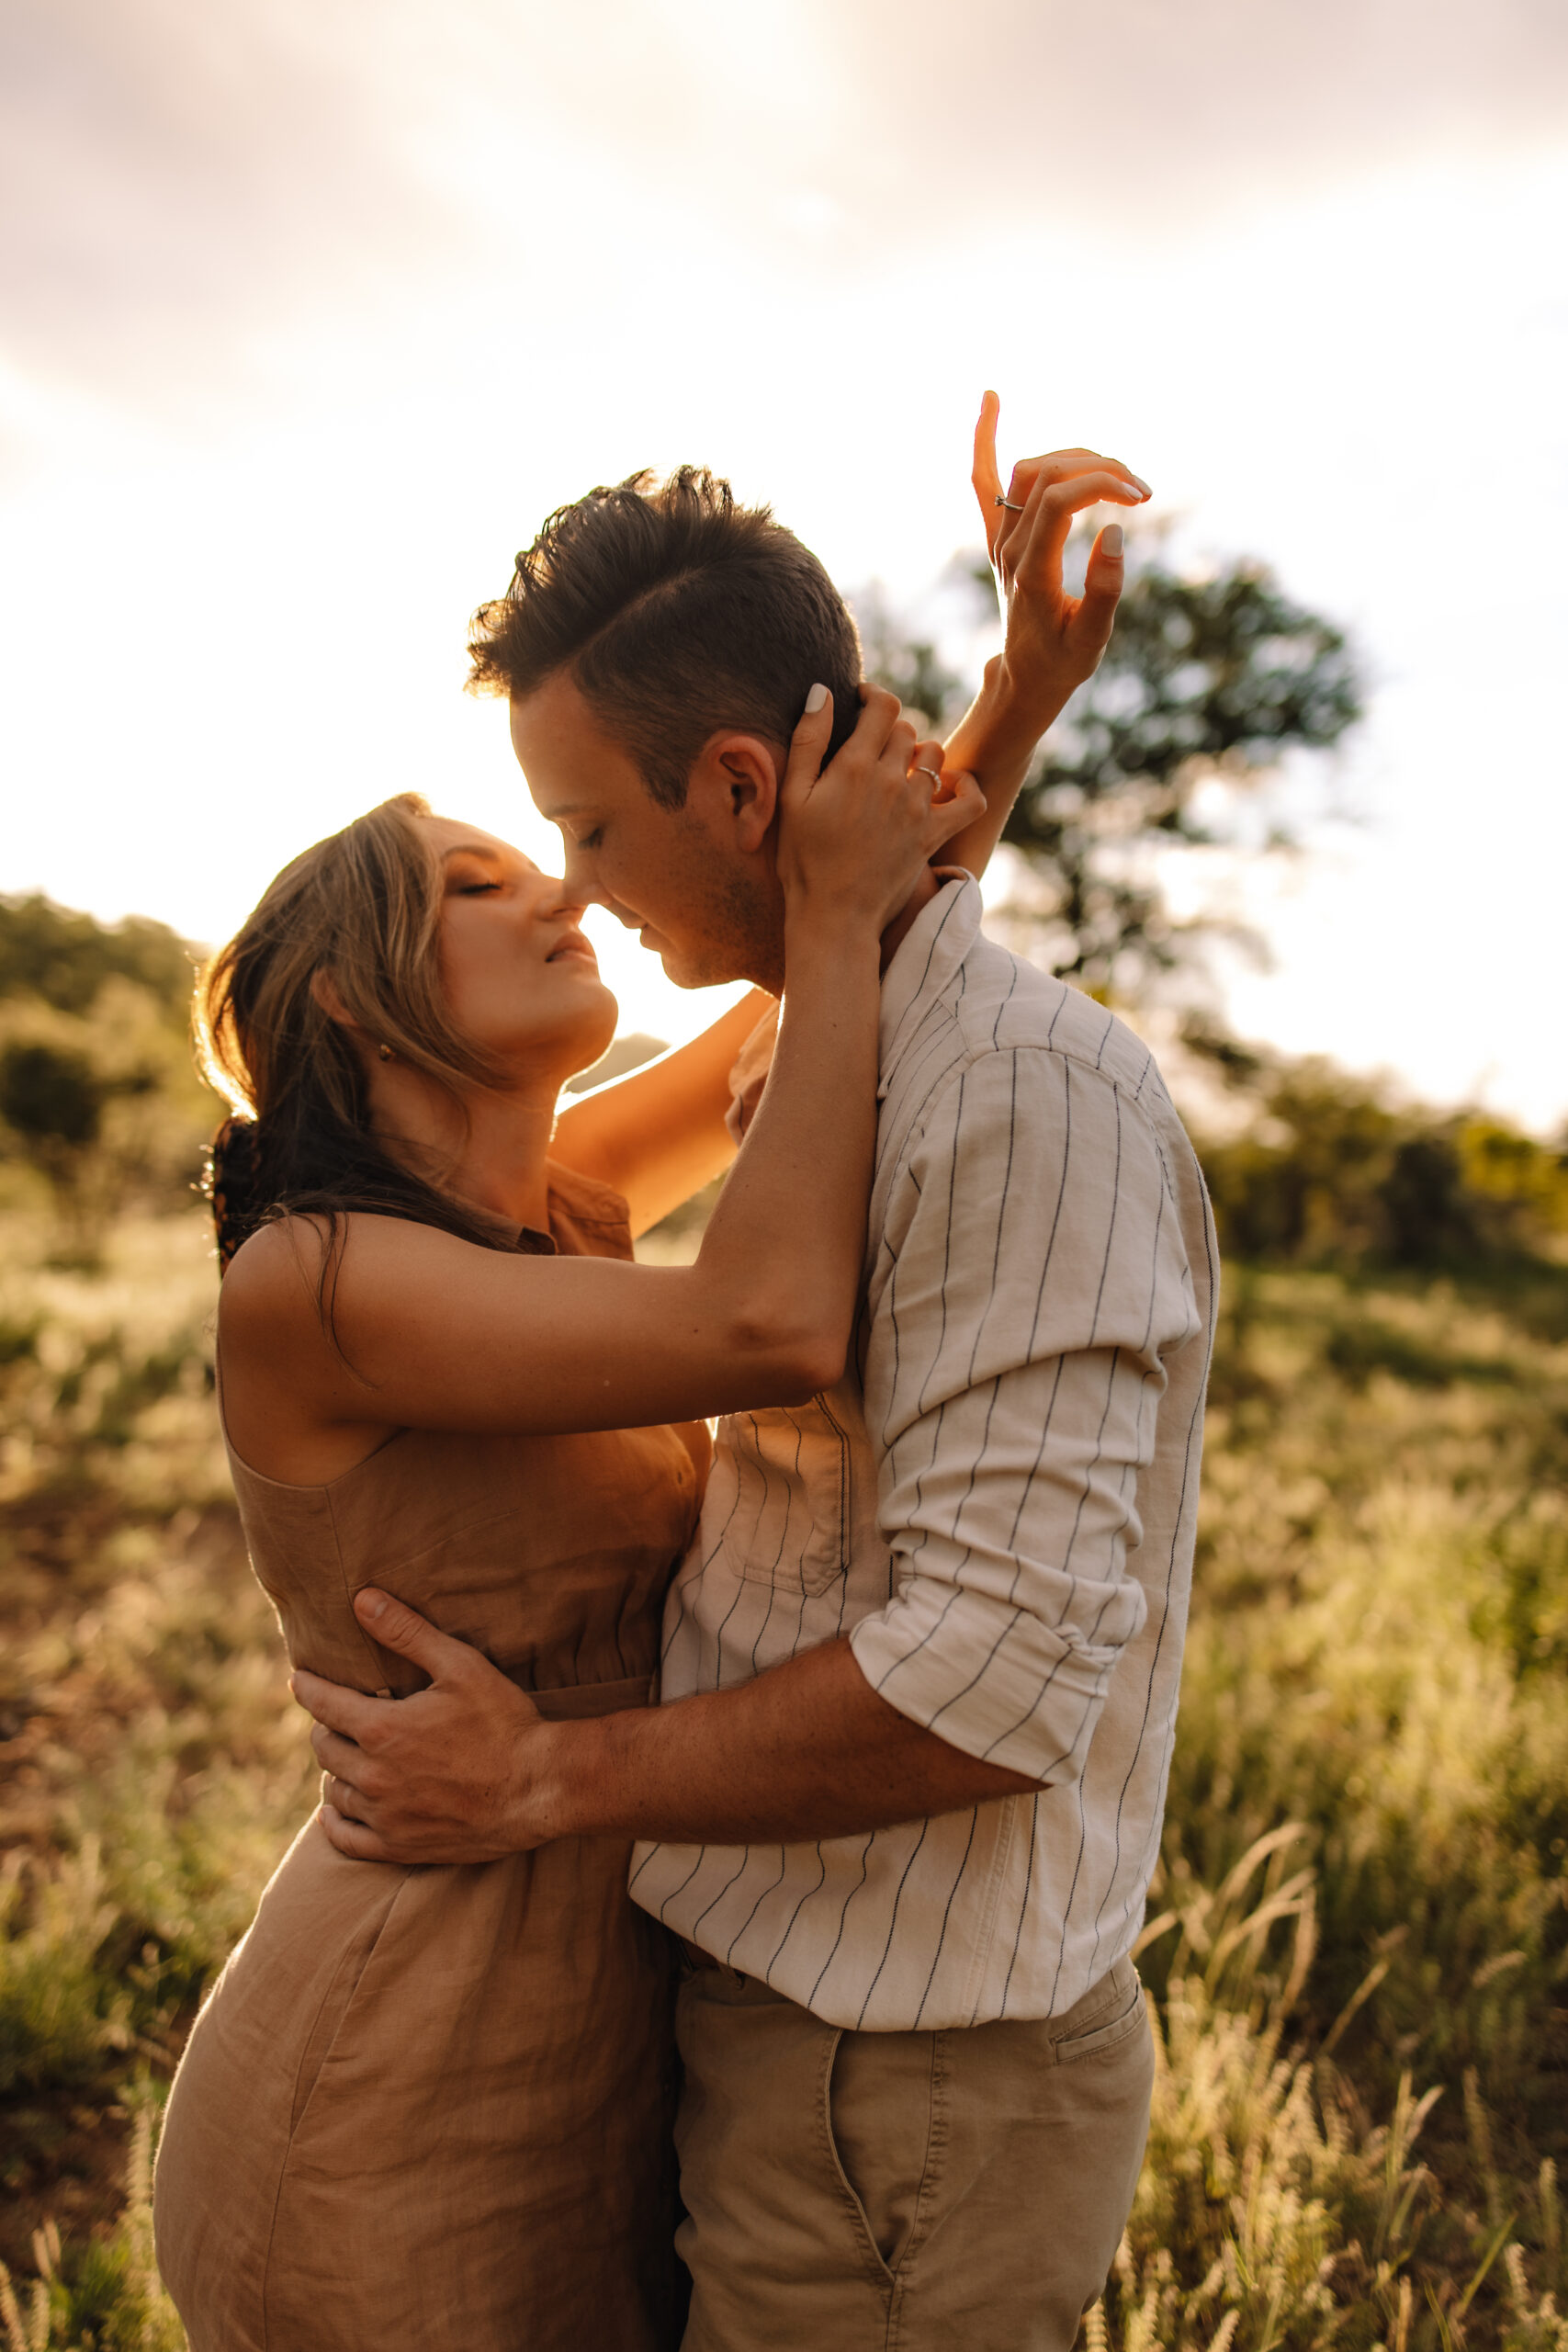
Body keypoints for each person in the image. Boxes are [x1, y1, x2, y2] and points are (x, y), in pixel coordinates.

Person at [297, 400, 1220, 2351]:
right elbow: (830, 991)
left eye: (584, 826)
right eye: (521, 856)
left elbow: (986, 1674)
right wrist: (1001, 706)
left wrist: (544, 1774)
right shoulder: (768, 1073)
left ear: (734, 783)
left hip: (893, 2089)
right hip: (771, 2037)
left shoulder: (1010, 1092)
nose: (576, 884)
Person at [151, 684, 986, 2351]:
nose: (563, 889)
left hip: (603, 2007)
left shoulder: (549, 1212)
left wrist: (1019, 694)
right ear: (351, 997)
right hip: (399, 2057)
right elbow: (770, 1320)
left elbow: (854, 984)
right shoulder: (318, 1281)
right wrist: (823, 910)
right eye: (475, 883)